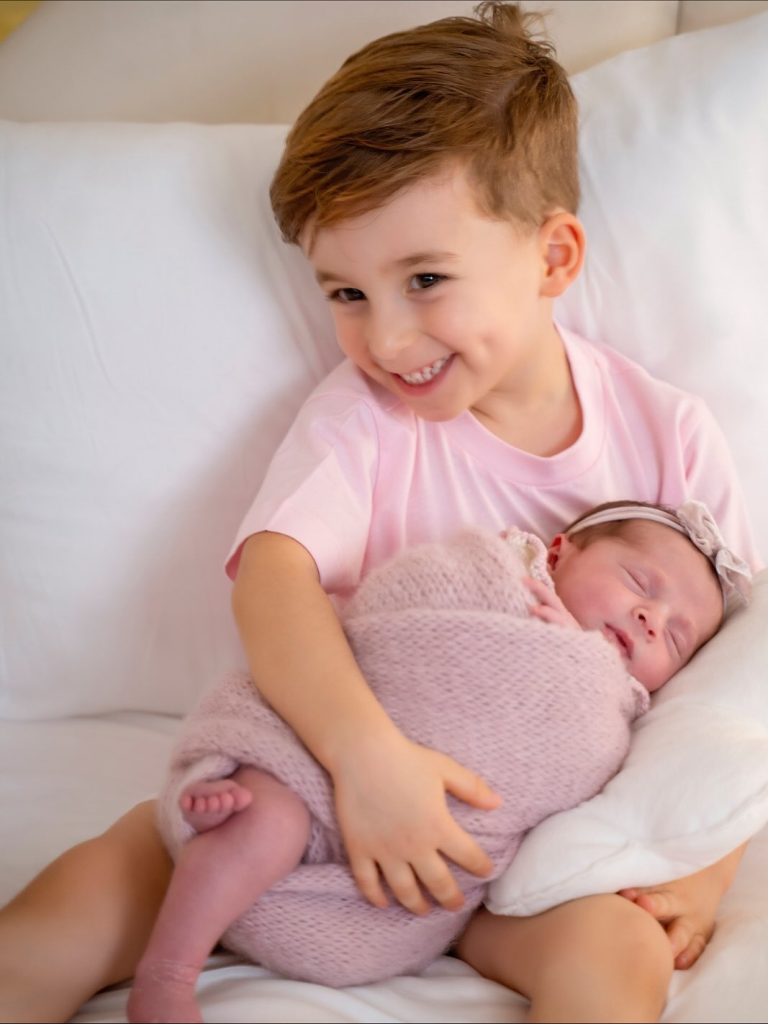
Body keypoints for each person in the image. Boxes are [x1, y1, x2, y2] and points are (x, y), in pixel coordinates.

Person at [0, 4, 762, 1023]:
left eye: (426, 280)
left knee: (615, 952)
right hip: (310, 794)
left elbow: (734, 687)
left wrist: (704, 867)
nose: (388, 340)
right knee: (93, 891)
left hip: (501, 858)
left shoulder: (668, 434)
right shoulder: (365, 420)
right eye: (347, 294)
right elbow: (274, 578)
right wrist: (367, 763)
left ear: (553, 257)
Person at [126, 500, 750, 1023]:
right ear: (559, 553)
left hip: (437, 867)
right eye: (640, 583)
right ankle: (169, 972)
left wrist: (585, 664)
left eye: (675, 637)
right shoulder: (492, 575)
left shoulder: (620, 705)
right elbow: (395, 615)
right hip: (317, 767)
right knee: (265, 819)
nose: (650, 619)